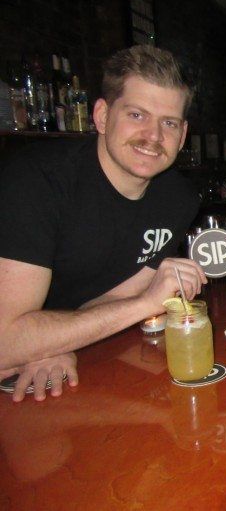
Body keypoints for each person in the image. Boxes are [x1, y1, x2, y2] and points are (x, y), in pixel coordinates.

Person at [0, 45, 206, 402]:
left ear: (183, 134)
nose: (154, 136)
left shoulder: (178, 198)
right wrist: (146, 304)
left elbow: (112, 299)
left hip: (74, 371)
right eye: (137, 115)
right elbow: (4, 342)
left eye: (169, 123)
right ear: (100, 115)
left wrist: (53, 341)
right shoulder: (35, 180)